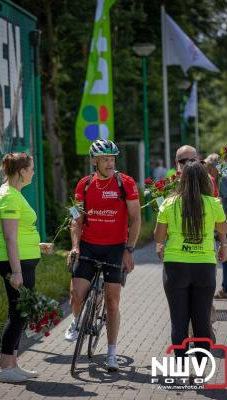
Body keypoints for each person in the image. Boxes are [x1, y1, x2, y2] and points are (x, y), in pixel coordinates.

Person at [65, 139, 141, 372]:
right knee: (76, 295)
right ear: (94, 161)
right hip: (88, 246)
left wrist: (129, 249)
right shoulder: (85, 184)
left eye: (112, 158)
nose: (110, 163)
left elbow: (136, 219)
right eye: (105, 159)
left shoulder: (125, 183)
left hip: (115, 248)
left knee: (112, 301)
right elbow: (75, 220)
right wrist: (75, 246)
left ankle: (111, 353)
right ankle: (77, 321)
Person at [154, 161, 227, 372]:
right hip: (204, 267)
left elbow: (158, 236)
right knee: (202, 320)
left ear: (182, 179)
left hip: (175, 267)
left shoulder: (169, 203)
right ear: (205, 180)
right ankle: (200, 367)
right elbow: (223, 227)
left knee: (179, 321)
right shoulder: (213, 203)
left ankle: (183, 368)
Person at [0, 152, 53, 383]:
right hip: (14, 264)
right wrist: (16, 271)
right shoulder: (9, 197)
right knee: (18, 314)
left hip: (21, 261)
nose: (34, 172)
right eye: (32, 168)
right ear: (21, 172)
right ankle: (4, 368)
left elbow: (18, 234)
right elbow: (8, 237)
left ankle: (11, 365)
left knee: (18, 313)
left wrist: (37, 245)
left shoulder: (14, 194)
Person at [205, 153, 227, 302]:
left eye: (209, 169)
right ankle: (226, 288)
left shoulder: (225, 177)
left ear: (213, 167)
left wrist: (226, 219)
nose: (208, 172)